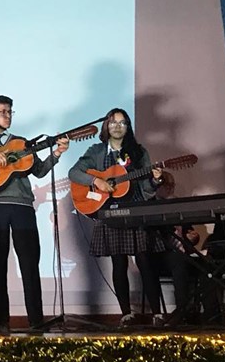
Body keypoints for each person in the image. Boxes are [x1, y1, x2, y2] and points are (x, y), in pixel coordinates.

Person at [0, 95, 69, 332]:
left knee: (29, 263)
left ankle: (36, 320)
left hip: (23, 207)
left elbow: (40, 171)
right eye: (3, 111)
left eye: (10, 111)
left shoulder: (22, 143)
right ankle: (0, 321)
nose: (8, 115)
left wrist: (56, 154)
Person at [68, 108, 166, 327]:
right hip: (110, 211)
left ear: (128, 127)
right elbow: (74, 173)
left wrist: (156, 180)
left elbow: (148, 190)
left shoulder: (139, 153)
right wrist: (97, 182)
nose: (117, 126)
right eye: (113, 122)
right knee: (118, 262)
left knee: (144, 260)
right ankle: (126, 314)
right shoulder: (96, 151)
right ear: (106, 126)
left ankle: (157, 313)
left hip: (136, 210)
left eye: (122, 123)